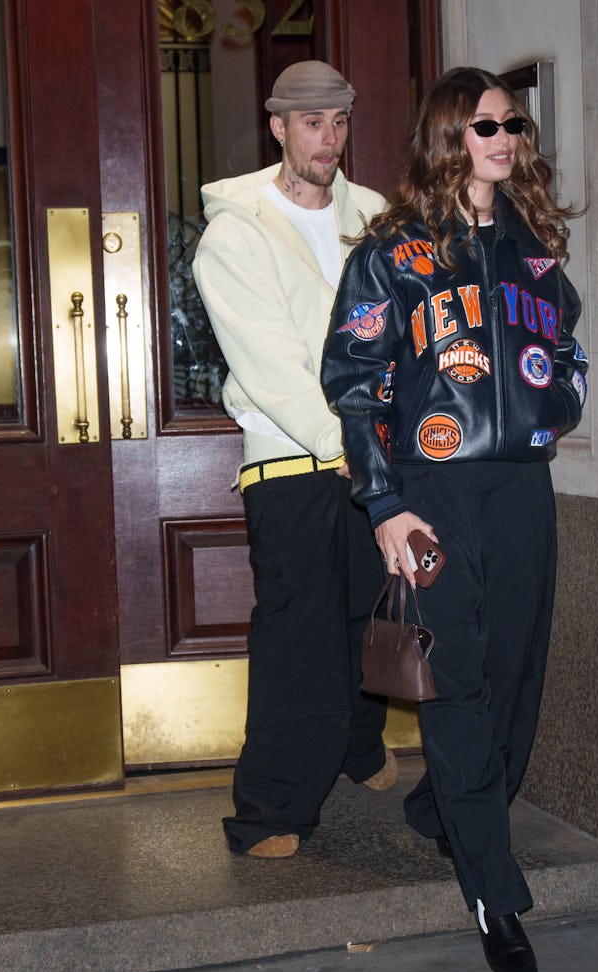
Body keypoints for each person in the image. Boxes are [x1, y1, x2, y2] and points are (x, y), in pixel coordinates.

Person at [321, 66, 588, 972]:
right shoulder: (391, 254)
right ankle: (492, 893)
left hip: (521, 489)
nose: (504, 139)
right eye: (485, 126)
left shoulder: (532, 246)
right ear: (448, 137)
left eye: (513, 124)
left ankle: (445, 812)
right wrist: (385, 503)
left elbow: (566, 348)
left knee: (515, 676)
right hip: (431, 492)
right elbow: (355, 384)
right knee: (460, 682)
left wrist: (557, 407)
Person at [193, 60, 395, 860]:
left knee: (370, 614)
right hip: (290, 459)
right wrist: (343, 441)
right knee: (300, 634)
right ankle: (270, 808)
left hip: (374, 450)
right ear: (278, 127)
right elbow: (268, 361)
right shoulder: (234, 233)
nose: (329, 138)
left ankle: (357, 745)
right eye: (313, 123)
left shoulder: (374, 215)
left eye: (340, 122)